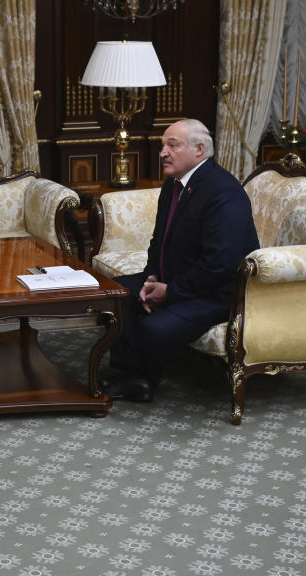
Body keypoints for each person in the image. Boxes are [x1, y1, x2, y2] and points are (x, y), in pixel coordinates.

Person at [102, 119, 259, 402]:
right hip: (176, 279)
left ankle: (144, 380)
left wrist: (171, 293)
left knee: (154, 327)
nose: (163, 152)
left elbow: (220, 264)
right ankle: (128, 374)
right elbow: (158, 242)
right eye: (163, 145)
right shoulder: (174, 185)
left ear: (199, 150)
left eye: (172, 145)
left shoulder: (223, 192)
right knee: (117, 293)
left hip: (219, 294)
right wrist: (151, 279)